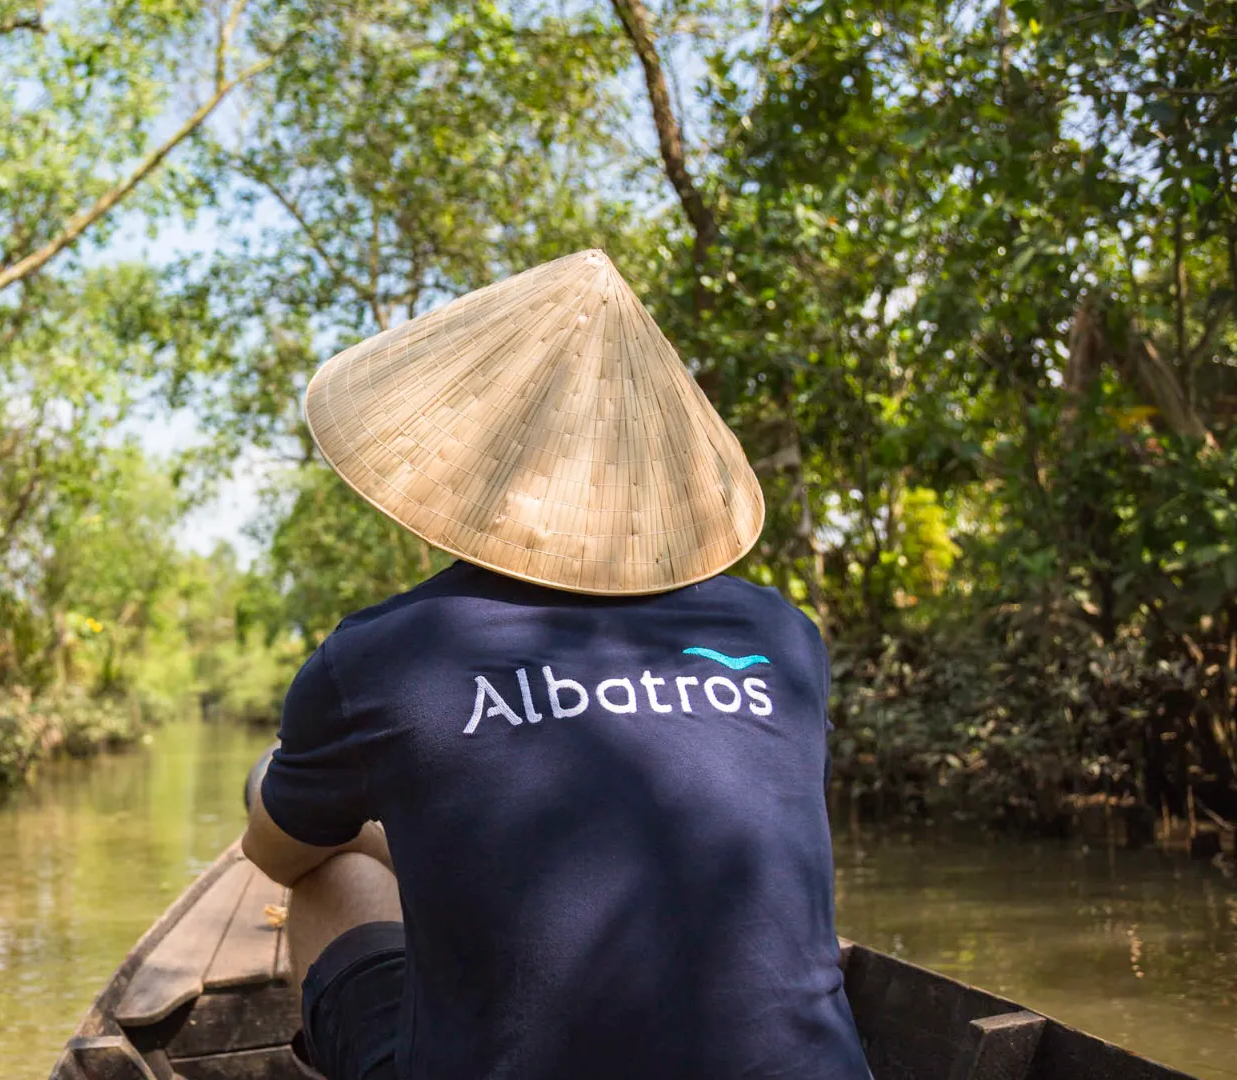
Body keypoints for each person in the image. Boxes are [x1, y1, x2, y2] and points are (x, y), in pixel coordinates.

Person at [239, 250, 872, 1080]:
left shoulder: (381, 657)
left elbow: (277, 855)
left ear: (455, 466)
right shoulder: (783, 635)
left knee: (326, 866)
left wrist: (287, 796)